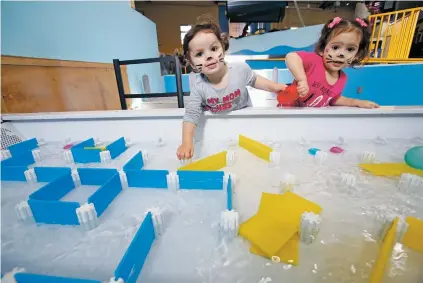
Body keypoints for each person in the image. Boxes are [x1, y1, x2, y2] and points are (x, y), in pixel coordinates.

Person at [176, 15, 287, 160]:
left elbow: (254, 80)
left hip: (246, 121)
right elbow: (191, 116)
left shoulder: (239, 70)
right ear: (191, 64)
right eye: (199, 54)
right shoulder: (199, 88)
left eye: (214, 49)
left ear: (223, 48)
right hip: (220, 129)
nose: (209, 56)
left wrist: (275, 87)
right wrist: (186, 143)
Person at [284, 17, 379, 108]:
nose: (341, 54)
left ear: (357, 55)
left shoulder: (342, 78)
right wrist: (301, 80)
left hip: (310, 119)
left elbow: (333, 99)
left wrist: (356, 102)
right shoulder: (315, 61)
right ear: (322, 48)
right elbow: (292, 57)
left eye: (350, 49)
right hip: (288, 114)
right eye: (335, 47)